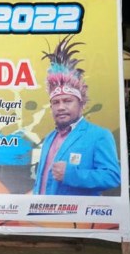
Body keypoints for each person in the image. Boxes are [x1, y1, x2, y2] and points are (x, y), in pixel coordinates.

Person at [33, 36, 121, 196]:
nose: (61, 107)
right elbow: (41, 182)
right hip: (43, 210)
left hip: (77, 212)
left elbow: (112, 177)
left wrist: (71, 175)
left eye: (67, 101)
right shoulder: (49, 138)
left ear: (82, 104)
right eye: (56, 102)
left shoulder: (99, 135)